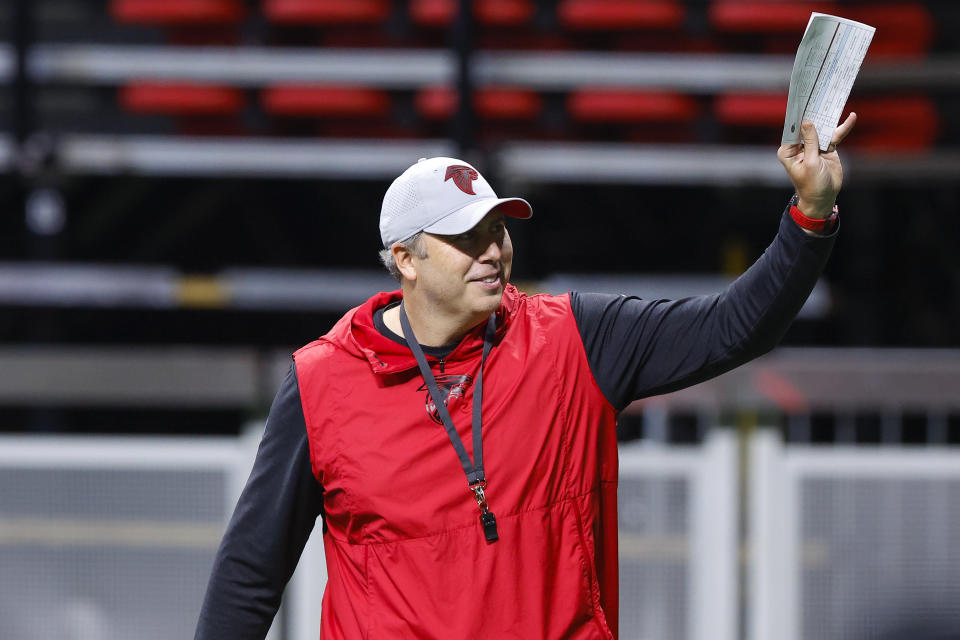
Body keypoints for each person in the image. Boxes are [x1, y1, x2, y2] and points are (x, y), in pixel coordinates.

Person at [195, 115, 856, 639]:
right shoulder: (321, 381)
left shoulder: (574, 339)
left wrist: (810, 218)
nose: (492, 252)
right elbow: (251, 572)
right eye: (466, 238)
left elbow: (733, 328)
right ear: (406, 260)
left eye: (498, 230)